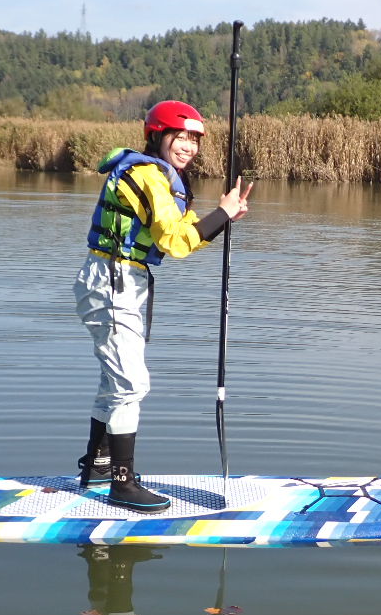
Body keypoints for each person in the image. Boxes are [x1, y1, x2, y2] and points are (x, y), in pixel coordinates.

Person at [74, 100, 252, 512]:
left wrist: (222, 217)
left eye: (194, 139)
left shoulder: (159, 176)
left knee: (116, 383)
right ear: (157, 136)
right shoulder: (149, 176)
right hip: (112, 281)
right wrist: (221, 213)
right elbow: (174, 243)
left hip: (122, 282)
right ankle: (122, 484)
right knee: (130, 384)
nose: (188, 146)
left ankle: (99, 466)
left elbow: (180, 233)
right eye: (180, 137)